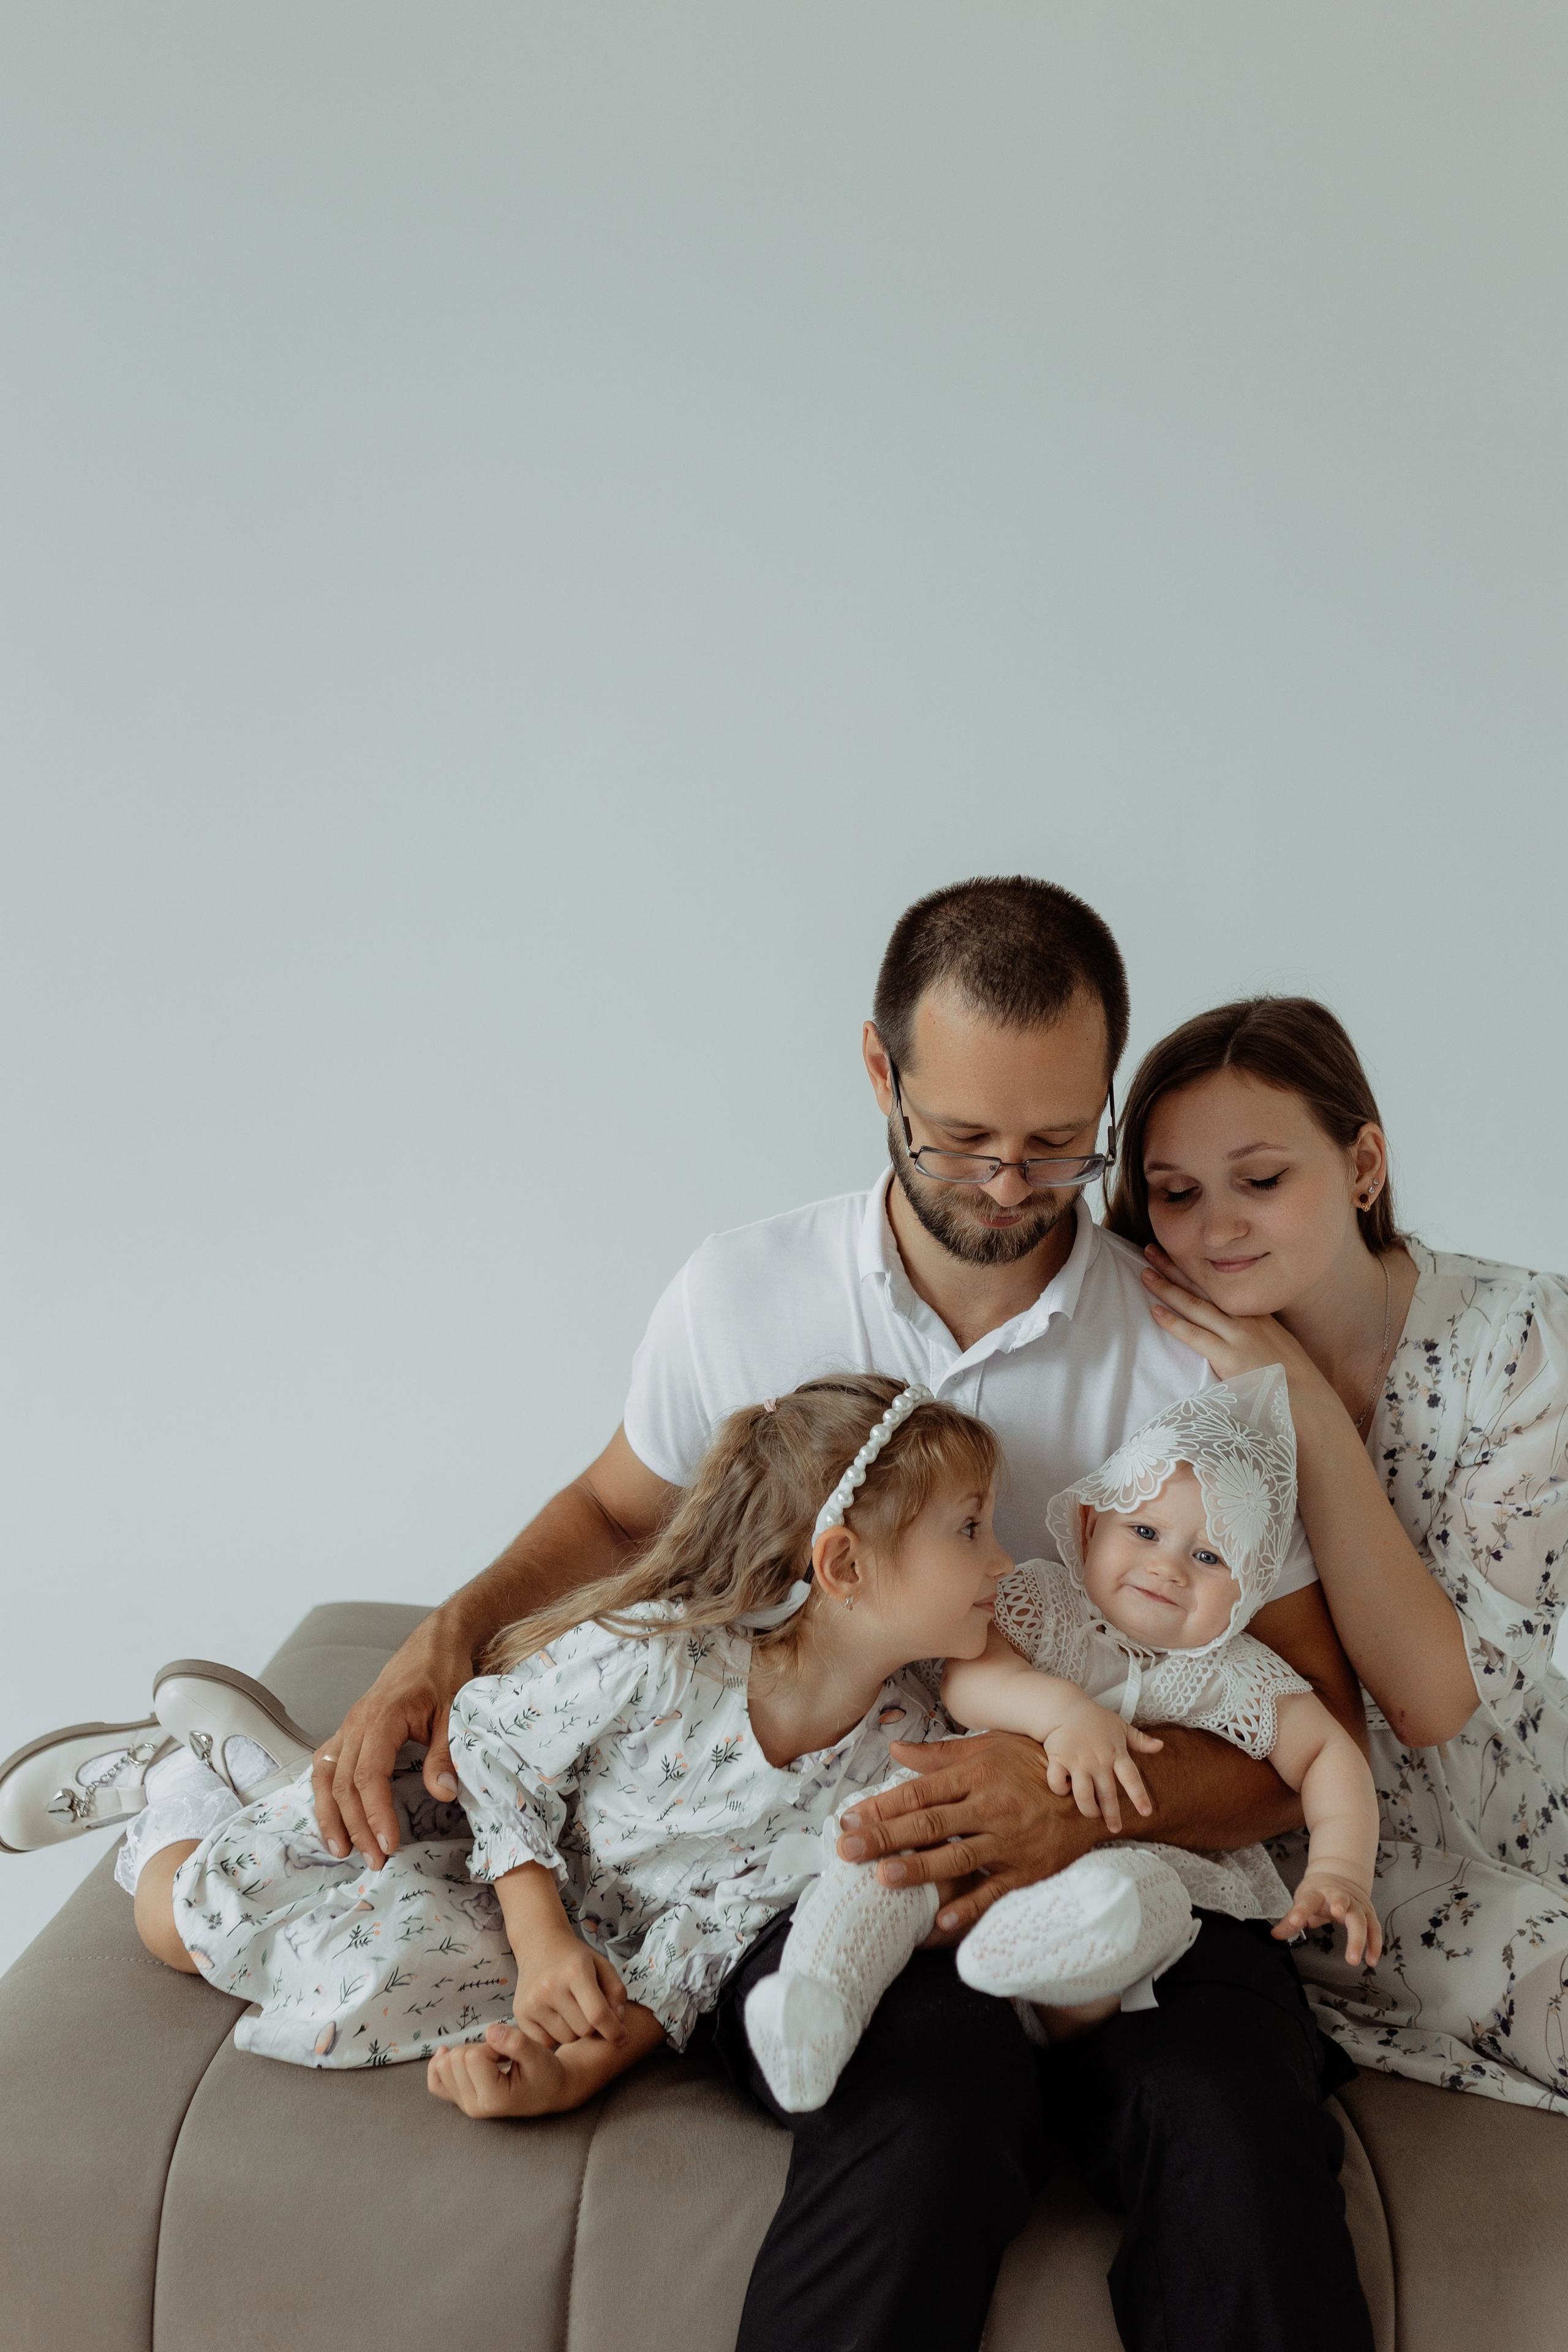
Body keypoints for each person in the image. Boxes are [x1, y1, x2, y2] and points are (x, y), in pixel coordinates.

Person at [2, 878, 1377, 2352]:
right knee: (928, 2115)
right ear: (879, 1073)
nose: (1004, 1182)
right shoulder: (745, 1291)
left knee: (1234, 2135)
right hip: (834, 1857)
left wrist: (1075, 1810)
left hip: (1136, 1868)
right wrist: (443, 1639)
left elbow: (1310, 1715)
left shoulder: (1188, 1348)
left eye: (1056, 1142)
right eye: (960, 1137)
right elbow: (612, 1514)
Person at [2, 1379, 1003, 2101]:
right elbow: (489, 1750)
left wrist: (574, 2069)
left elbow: (713, 1941)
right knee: (177, 1923)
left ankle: (265, 1769)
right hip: (482, 1828)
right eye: (971, 1529)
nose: (1003, 1562)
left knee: (374, 1984)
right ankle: (177, 1785)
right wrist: (540, 1935)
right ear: (843, 1566)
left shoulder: (904, 1750)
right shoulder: (662, 1656)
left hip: (574, 1937)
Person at [1110, 993, 1568, 2115]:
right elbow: (1410, 1712)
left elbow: (1447, 1694)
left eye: (1261, 1180)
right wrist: (1293, 1402)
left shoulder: (1526, 1345)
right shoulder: (1153, 1362)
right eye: (1177, 1194)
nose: (1216, 1229)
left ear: (1364, 1165)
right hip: (1328, 1856)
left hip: (1533, 1801)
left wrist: (1301, 1395)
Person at [743, 1370, 1381, 2116]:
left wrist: (1339, 1870)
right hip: (973, 1837)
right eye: (1145, 1532)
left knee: (1140, 1895)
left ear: (1251, 1588)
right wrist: (1061, 1713)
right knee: (886, 1861)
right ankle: (815, 1997)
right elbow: (969, 1682)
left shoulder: (1239, 1673)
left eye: (1210, 1558)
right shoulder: (1042, 1601)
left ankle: (1046, 1967)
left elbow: (1329, 1754)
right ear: (1089, 1527)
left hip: (1135, 1864)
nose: (1167, 1568)